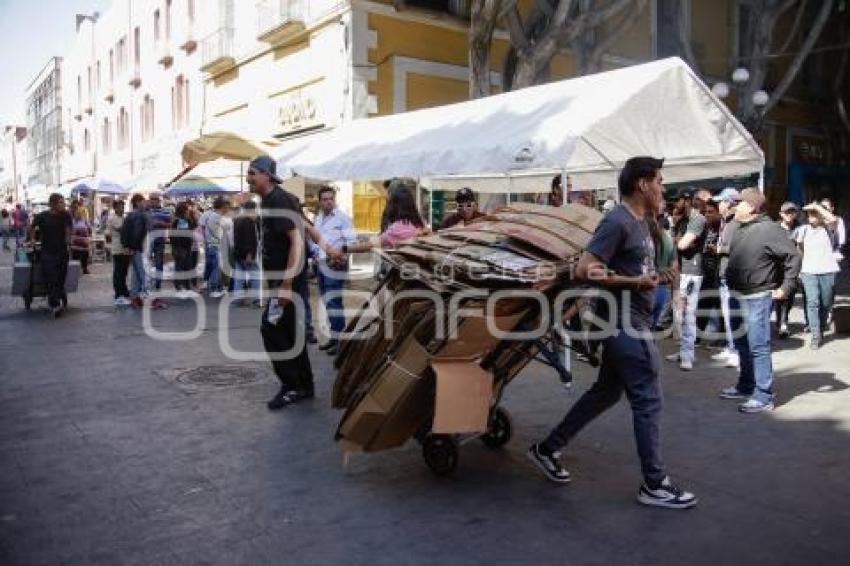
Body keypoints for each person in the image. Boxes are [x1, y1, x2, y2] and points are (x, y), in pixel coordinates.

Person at [527, 156, 697, 510]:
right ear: (643, 184)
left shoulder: (643, 222)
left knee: (605, 393)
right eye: (660, 181)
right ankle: (654, 484)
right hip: (624, 326)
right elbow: (585, 268)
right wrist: (634, 282)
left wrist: (658, 276)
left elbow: (640, 267)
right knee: (648, 401)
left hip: (632, 322)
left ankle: (547, 448)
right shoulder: (618, 220)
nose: (663, 188)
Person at [720, 189, 801, 413]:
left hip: (757, 296)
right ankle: (746, 385)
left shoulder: (770, 229)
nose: (736, 207)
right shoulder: (740, 227)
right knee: (742, 344)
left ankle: (764, 396)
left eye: (741, 204)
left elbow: (792, 257)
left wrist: (786, 287)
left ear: (753, 207)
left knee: (759, 346)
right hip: (737, 294)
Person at [249, 155, 315, 410]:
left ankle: (293, 385)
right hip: (284, 283)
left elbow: (297, 241)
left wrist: (286, 285)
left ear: (266, 175)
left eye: (252, 173)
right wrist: (329, 248)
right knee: (291, 334)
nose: (249, 178)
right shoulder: (272, 201)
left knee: (271, 329)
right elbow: (308, 228)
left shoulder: (280, 200)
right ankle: (303, 385)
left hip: (288, 284)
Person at [311, 185, 356, 355]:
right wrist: (315, 254)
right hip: (321, 263)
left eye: (331, 199)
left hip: (335, 264)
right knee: (327, 302)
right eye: (325, 199)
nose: (328, 202)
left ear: (334, 199)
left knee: (334, 302)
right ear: (320, 201)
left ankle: (340, 342)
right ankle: (334, 338)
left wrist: (342, 256)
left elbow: (352, 241)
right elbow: (315, 240)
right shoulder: (318, 218)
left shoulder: (343, 218)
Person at [666, 188, 708, 370]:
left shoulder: (698, 219)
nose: (675, 205)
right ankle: (684, 351)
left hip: (691, 271)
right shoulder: (682, 220)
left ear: (688, 200)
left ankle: (688, 355)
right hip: (680, 270)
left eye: (677, 200)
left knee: (688, 314)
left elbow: (681, 244)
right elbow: (675, 242)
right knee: (679, 314)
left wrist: (676, 239)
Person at [336, 180, 430, 254]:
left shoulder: (397, 228)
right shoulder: (421, 223)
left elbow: (370, 245)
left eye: (389, 201)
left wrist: (344, 248)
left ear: (394, 205)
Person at [795, 202, 840, 350]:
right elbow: (799, 249)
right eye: (809, 214)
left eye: (814, 214)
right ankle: (816, 335)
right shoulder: (803, 230)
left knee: (826, 302)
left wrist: (817, 207)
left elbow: (833, 220)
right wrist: (801, 269)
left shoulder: (829, 228)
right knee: (812, 302)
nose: (811, 216)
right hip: (809, 271)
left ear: (821, 215)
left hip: (828, 270)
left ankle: (821, 328)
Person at [711, 188, 742, 369]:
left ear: (729, 203)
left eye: (721, 202)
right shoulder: (726, 221)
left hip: (731, 276)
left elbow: (735, 246)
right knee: (727, 315)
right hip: (724, 274)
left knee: (732, 316)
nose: (719, 205)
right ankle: (731, 348)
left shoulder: (735, 221)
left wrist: (719, 249)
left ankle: (736, 351)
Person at [28, 193, 71, 317]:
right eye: (61, 202)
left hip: (62, 252)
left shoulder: (65, 216)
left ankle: (55, 300)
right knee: (51, 278)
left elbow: (68, 228)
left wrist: (68, 239)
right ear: (52, 204)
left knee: (61, 279)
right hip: (47, 252)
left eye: (63, 202)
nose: (63, 205)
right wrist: (32, 240)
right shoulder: (42, 216)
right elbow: (31, 227)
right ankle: (55, 304)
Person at [775, 202, 802, 338]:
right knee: (779, 297)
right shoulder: (774, 228)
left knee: (789, 297)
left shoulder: (800, 228)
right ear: (781, 214)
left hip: (793, 269)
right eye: (787, 212)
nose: (790, 215)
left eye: (792, 212)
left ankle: (782, 321)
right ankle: (782, 322)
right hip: (776, 268)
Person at [648, 213, 678, 330]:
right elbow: (674, 267)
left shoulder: (646, 238)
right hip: (662, 289)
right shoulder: (669, 239)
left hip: (648, 288)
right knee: (652, 330)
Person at [121, 194, 150, 308]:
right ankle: (144, 293)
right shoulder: (138, 216)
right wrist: (133, 247)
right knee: (140, 271)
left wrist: (128, 246)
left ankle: (135, 295)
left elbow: (125, 232)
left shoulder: (131, 215)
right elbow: (136, 233)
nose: (145, 204)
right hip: (136, 247)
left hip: (134, 247)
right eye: (143, 202)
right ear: (137, 202)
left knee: (136, 272)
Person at [233, 200, 261, 307]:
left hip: (238, 253)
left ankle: (237, 300)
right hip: (247, 254)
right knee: (255, 276)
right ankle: (256, 300)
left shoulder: (237, 219)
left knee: (239, 278)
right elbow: (249, 239)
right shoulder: (248, 221)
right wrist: (249, 254)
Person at [106, 200, 131, 306]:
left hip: (125, 249)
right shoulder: (113, 218)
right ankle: (118, 293)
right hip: (117, 248)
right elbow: (122, 229)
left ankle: (124, 290)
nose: (122, 209)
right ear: (115, 208)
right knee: (118, 272)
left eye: (123, 207)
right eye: (120, 207)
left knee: (124, 271)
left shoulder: (123, 218)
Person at [203, 197, 229, 298]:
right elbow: (219, 233)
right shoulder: (216, 217)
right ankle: (214, 289)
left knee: (216, 267)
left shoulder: (214, 216)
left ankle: (218, 287)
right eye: (226, 207)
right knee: (216, 268)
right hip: (215, 245)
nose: (228, 209)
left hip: (213, 245)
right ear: (222, 206)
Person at [146, 193, 172, 292]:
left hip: (160, 239)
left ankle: (158, 284)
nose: (153, 201)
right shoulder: (146, 211)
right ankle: (148, 282)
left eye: (155, 199)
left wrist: (162, 224)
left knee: (159, 262)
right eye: (151, 199)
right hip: (148, 239)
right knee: (147, 261)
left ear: (159, 200)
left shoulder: (165, 211)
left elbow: (171, 223)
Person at [171, 202, 197, 298]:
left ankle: (186, 286)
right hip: (181, 248)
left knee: (186, 267)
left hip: (187, 247)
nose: (188, 211)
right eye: (186, 209)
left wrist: (192, 216)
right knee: (180, 267)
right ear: (183, 211)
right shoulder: (178, 221)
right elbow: (175, 236)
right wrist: (177, 248)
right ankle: (179, 287)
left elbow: (193, 226)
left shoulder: (186, 220)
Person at [69, 200, 92, 275]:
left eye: (79, 212)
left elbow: (89, 228)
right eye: (76, 212)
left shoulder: (84, 220)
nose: (78, 213)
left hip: (84, 241)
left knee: (85, 255)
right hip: (75, 242)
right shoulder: (71, 220)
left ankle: (85, 268)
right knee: (76, 255)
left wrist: (89, 237)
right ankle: (76, 269)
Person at [820, 198, 845, 262]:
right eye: (821, 207)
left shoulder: (839, 220)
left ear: (832, 208)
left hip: (834, 254)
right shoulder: (818, 221)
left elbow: (841, 240)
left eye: (825, 207)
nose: (823, 209)